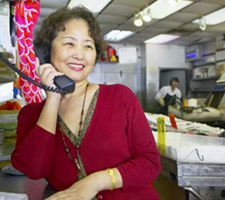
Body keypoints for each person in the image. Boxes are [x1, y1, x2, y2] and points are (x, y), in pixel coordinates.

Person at [11, 7, 161, 200]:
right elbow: (34, 169)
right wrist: (53, 99)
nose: (80, 55)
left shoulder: (120, 97)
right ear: (46, 51)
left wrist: (94, 182)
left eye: (88, 46)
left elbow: (150, 163)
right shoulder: (32, 115)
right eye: (69, 43)